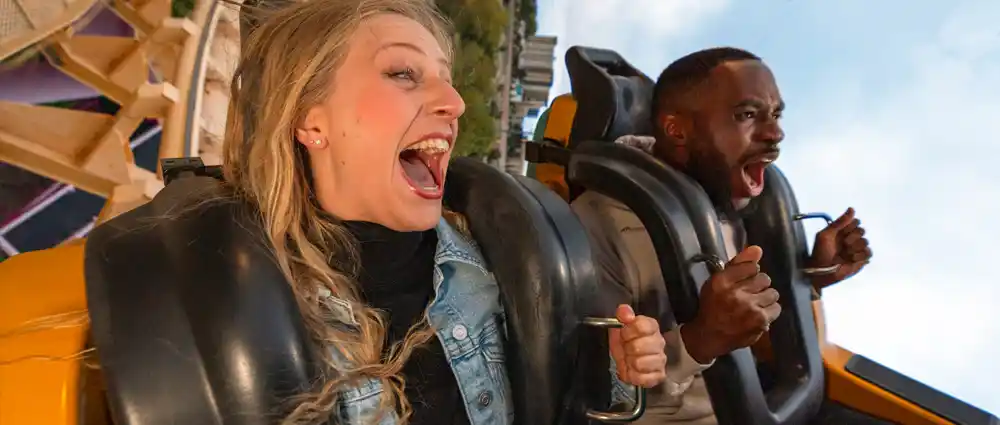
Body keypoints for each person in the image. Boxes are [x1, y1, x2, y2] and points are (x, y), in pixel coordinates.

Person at [220, 1, 669, 424]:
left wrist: (615, 365)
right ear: (311, 121)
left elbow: (565, 393)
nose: (455, 103)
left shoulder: (502, 261)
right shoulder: (242, 305)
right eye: (403, 74)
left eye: (446, 79)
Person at [571, 47, 876, 425]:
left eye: (776, 114)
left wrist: (811, 278)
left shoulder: (727, 206)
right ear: (676, 130)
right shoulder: (596, 224)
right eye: (746, 115)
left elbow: (755, 336)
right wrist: (700, 339)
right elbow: (596, 394)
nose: (775, 132)